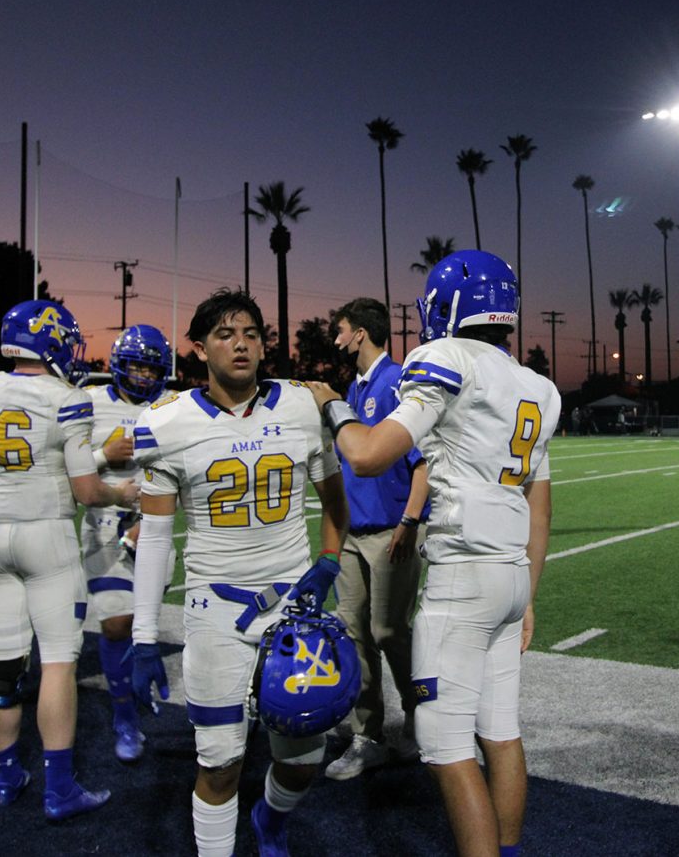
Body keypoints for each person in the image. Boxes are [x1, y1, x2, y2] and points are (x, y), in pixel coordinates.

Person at [306, 251, 561, 857]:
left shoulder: (443, 358)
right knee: (500, 732)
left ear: (445, 307)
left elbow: (367, 454)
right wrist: (528, 597)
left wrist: (330, 405)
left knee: (446, 746)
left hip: (463, 576)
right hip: (510, 576)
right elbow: (541, 508)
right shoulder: (539, 388)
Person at [129, 288, 349, 857]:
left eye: (251, 333)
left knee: (303, 760)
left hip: (293, 606)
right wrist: (144, 635)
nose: (242, 344)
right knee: (221, 762)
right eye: (225, 334)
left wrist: (326, 564)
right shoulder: (167, 421)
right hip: (215, 610)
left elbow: (334, 500)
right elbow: (154, 536)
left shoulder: (301, 405)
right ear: (200, 348)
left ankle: (270, 818)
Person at [0, 299, 139, 820]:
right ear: (52, 340)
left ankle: (6, 777)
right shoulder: (67, 398)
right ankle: (59, 789)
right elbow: (85, 490)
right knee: (59, 662)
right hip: (47, 538)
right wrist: (122, 494)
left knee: (1, 665)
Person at [325, 297, 429, 780]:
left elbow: (424, 461)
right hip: (354, 531)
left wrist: (410, 522)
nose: (338, 338)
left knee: (388, 630)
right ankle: (368, 734)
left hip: (392, 529)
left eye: (341, 330)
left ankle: (420, 714)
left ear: (361, 334)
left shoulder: (398, 382)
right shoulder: (355, 386)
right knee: (353, 633)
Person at [81, 324, 173, 762]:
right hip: (103, 527)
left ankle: (135, 686)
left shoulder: (171, 408)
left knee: (143, 625)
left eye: (149, 368)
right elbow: (67, 466)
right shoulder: (90, 403)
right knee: (117, 623)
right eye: (134, 365)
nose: (140, 375)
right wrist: (103, 456)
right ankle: (125, 717)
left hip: (152, 527)